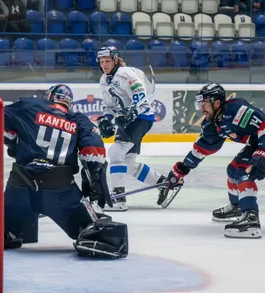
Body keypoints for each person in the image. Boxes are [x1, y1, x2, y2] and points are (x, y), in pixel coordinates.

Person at [3, 84, 128, 258]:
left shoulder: (30, 106)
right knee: (97, 231)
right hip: (60, 193)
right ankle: (88, 233)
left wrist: (16, 144)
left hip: (20, 186)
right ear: (68, 103)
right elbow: (94, 154)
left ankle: (10, 231)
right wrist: (95, 191)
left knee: (0, 229)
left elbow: (0, 123)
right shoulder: (79, 120)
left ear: (49, 97)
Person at [165, 83, 265, 239]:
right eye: (200, 103)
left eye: (204, 103)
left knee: (243, 173)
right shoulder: (213, 123)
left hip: (262, 144)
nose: (201, 108)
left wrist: (262, 153)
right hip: (256, 144)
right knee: (233, 170)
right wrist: (182, 169)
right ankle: (238, 207)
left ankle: (251, 220)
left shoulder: (237, 112)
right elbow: (203, 147)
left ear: (216, 103)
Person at [95, 46, 168, 211]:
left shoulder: (126, 74)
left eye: (107, 61)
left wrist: (130, 114)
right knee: (126, 162)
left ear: (115, 60)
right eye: (101, 61)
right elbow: (109, 106)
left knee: (115, 153)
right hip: (130, 120)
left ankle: (118, 199)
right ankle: (162, 183)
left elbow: (142, 102)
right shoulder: (104, 80)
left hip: (141, 118)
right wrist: (106, 119)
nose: (104, 64)